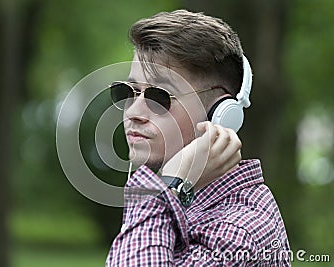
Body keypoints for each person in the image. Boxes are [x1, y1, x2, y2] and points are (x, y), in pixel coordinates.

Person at [106, 10, 291, 266]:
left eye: (159, 96)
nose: (134, 112)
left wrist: (166, 188)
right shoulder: (189, 203)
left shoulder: (237, 229)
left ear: (220, 115)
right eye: (130, 91)